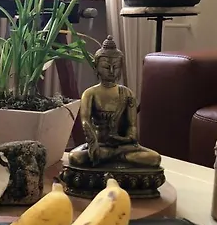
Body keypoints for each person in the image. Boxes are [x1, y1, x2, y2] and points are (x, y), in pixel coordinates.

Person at [68, 35, 161, 168]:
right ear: (96, 66)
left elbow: (132, 126)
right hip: (99, 144)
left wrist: (124, 139)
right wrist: (93, 143)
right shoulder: (90, 93)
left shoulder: (127, 94)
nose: (111, 71)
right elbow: (85, 122)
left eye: (116, 67)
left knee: (154, 158)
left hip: (122, 146)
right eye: (106, 67)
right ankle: (115, 158)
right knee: (75, 157)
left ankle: (110, 156)